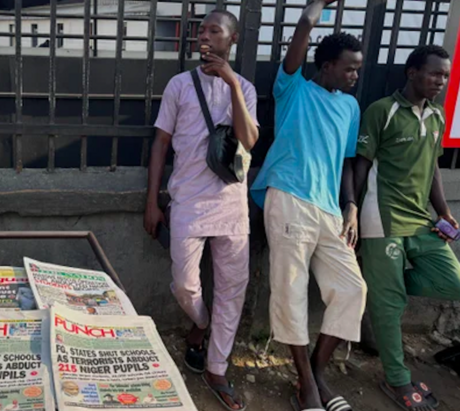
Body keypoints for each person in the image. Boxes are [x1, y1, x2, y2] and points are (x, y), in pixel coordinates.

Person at [249, 1, 366, 410]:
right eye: (349, 68)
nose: (355, 76)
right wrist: (314, 8)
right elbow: (301, 29)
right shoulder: (294, 88)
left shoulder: (350, 107)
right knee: (290, 293)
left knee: (353, 288)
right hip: (288, 198)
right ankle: (307, 386)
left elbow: (347, 161)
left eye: (358, 69)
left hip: (330, 210)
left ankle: (316, 371)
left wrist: (350, 206)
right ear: (327, 65)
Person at [144, 9, 259, 410]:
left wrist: (231, 84)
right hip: (188, 200)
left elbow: (249, 140)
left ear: (233, 39)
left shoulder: (244, 87)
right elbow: (160, 143)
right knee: (185, 284)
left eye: (215, 30)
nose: (205, 37)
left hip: (231, 203)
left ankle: (217, 367)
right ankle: (201, 323)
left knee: (232, 289)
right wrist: (152, 201)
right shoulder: (179, 85)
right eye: (202, 31)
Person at [354, 45, 458, 411]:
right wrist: (350, 211)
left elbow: (432, 169)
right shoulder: (382, 111)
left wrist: (443, 211)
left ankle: (384, 284)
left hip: (421, 220)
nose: (440, 82)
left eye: (444, 76)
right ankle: (395, 378)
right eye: (434, 73)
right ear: (412, 72)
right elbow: (360, 165)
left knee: (453, 281)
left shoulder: (437, 116)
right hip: (380, 218)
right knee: (389, 301)